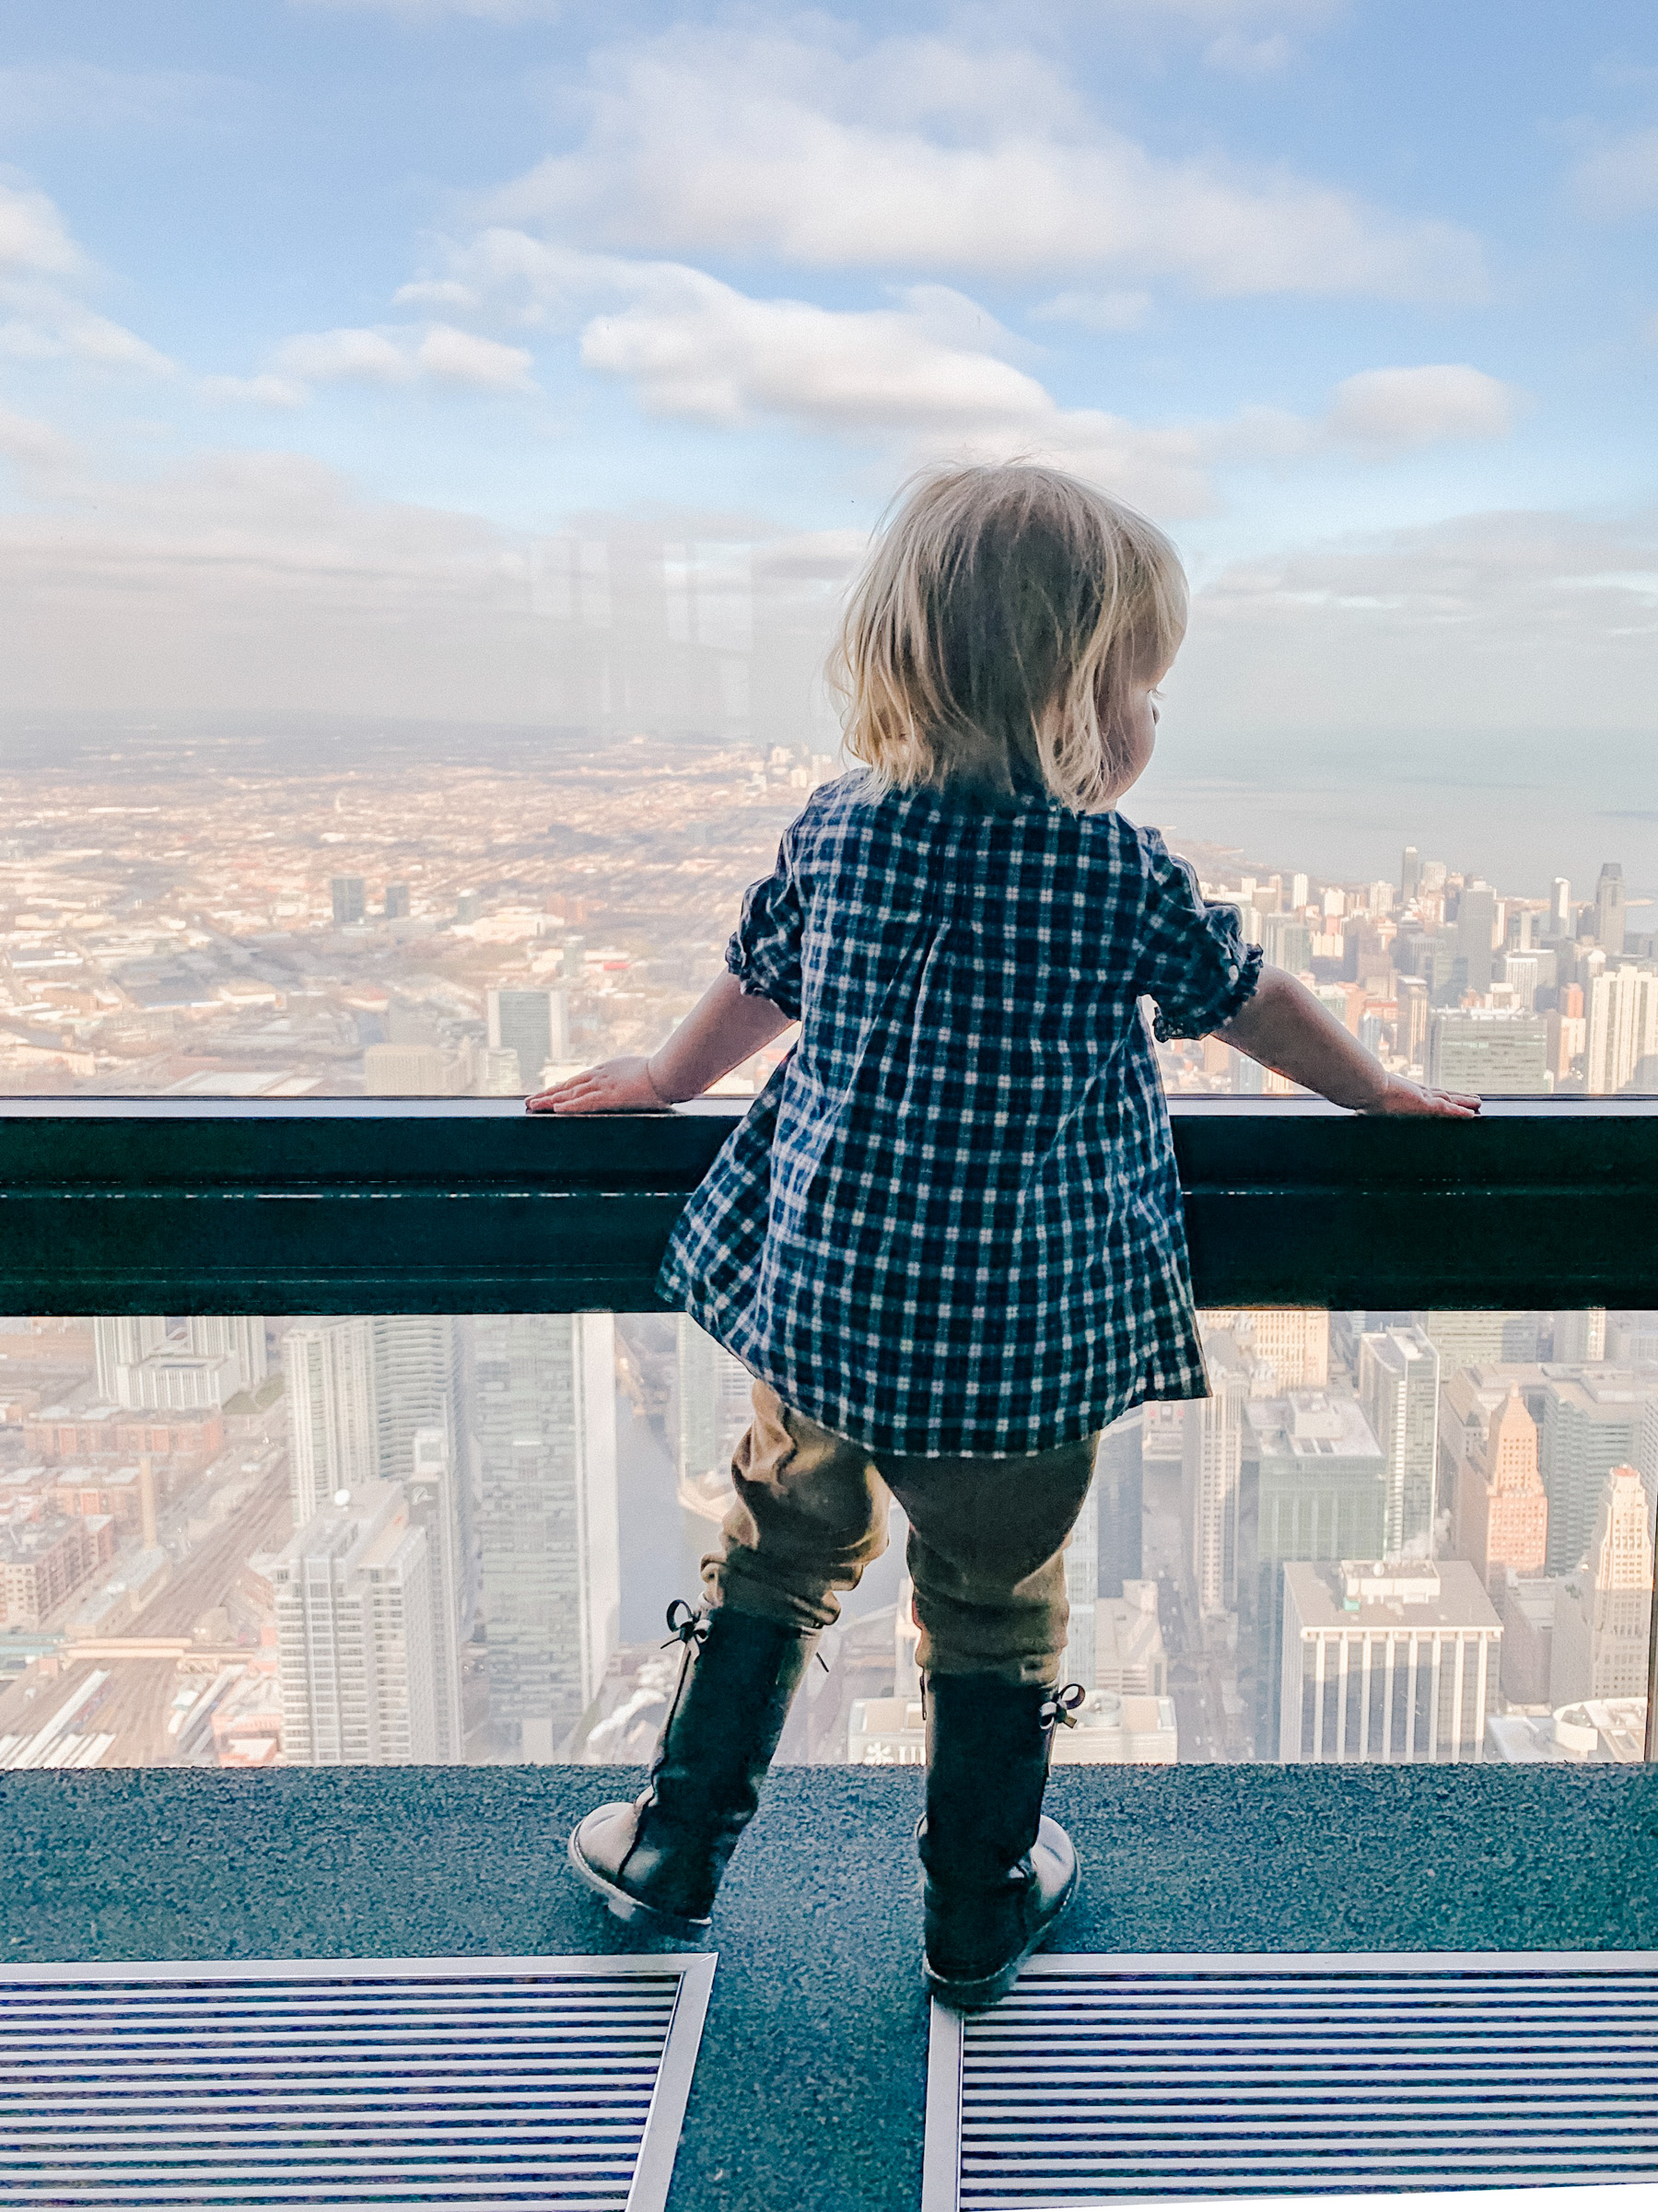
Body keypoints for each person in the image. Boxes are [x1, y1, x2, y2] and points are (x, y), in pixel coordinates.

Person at [530, 462, 1477, 2010]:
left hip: (829, 1312)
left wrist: (655, 1078)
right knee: (992, 1607)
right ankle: (974, 1901)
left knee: (774, 1559)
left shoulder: (843, 829)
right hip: (1016, 1343)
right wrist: (1377, 1090)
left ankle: (675, 1847)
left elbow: (757, 984)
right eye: (1141, 686)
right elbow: (1254, 1005)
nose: (1151, 720)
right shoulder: (1117, 873)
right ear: (1071, 697)